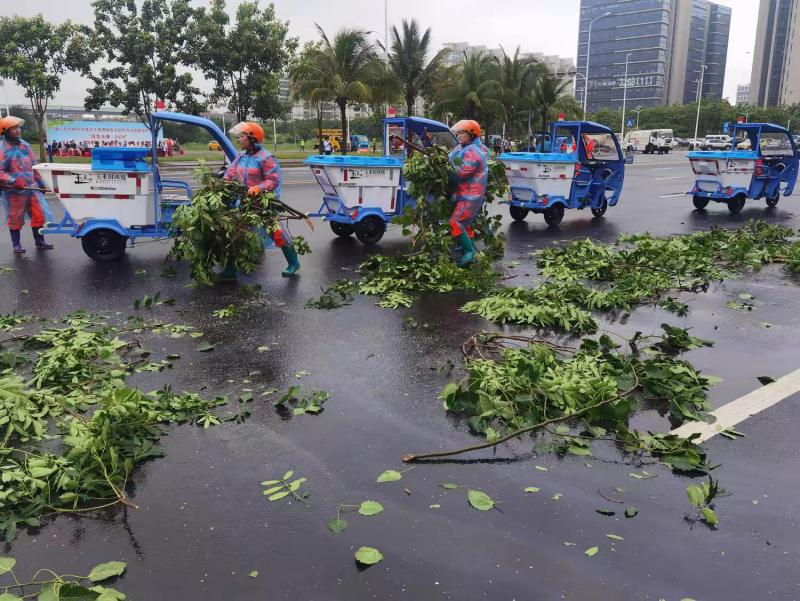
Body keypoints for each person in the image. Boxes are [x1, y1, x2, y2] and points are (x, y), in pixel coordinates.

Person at [221, 121, 300, 280]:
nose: (239, 140)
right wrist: (222, 183)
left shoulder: (266, 158)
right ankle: (230, 270)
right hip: (244, 203)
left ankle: (293, 263)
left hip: (263, 204)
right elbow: (230, 173)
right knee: (235, 233)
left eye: (242, 137)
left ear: (253, 138)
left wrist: (259, 188)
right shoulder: (241, 156)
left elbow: (273, 181)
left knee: (277, 233)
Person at [0, 116, 54, 253]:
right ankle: (16, 244)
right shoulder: (2, 149)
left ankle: (40, 241)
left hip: (32, 186)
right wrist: (13, 180)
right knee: (15, 217)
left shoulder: (25, 145)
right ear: (5, 131)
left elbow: (33, 165)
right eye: (14, 128)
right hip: (14, 191)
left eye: (18, 127)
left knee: (38, 215)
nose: (18, 130)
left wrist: (40, 181)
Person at [447, 119, 489, 267]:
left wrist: (446, 171)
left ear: (472, 134)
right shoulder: (463, 147)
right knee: (465, 223)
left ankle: (469, 253)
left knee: (455, 222)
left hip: (470, 195)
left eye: (462, 132)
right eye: (458, 132)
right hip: (464, 193)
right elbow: (450, 157)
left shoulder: (473, 152)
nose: (458, 135)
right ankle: (470, 249)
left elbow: (462, 172)